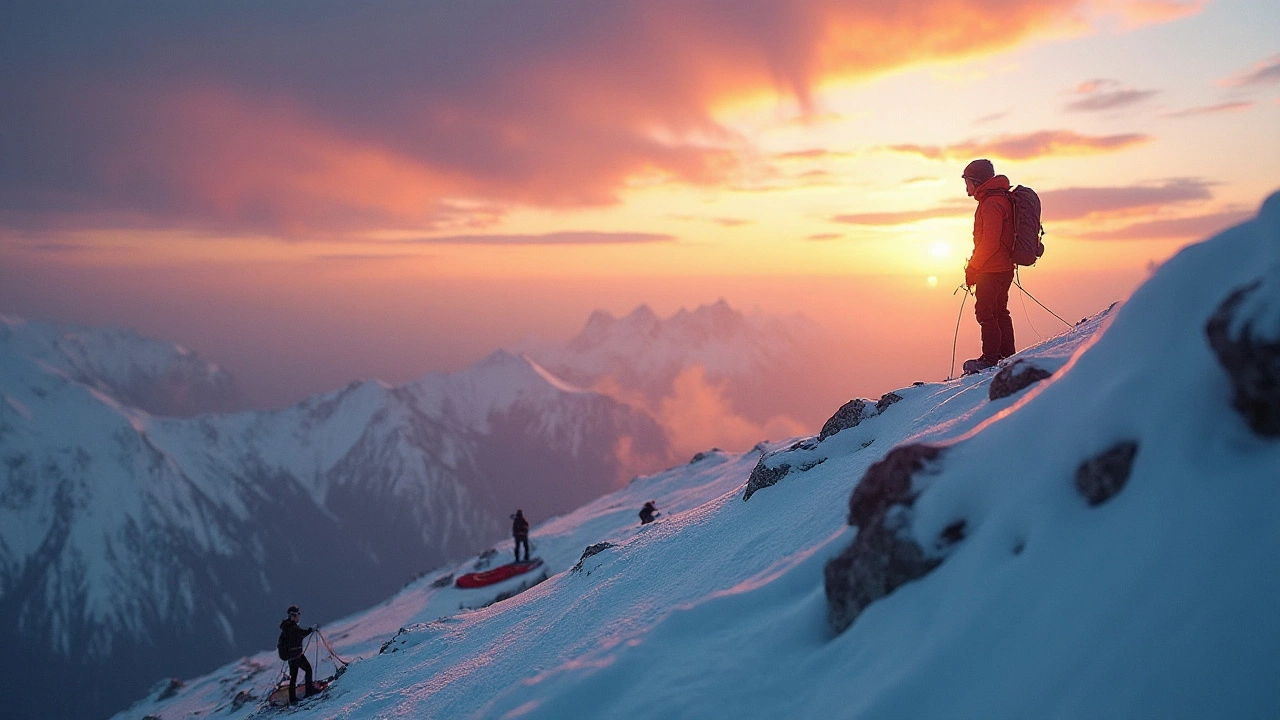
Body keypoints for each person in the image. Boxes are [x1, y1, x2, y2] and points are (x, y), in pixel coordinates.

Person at [961, 158, 1016, 374]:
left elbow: (989, 242)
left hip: (992, 269)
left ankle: (991, 359)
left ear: (976, 181)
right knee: (999, 310)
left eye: (968, 183)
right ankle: (1007, 355)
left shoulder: (992, 203)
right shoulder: (999, 199)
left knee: (986, 312)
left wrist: (973, 268)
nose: (967, 189)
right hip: (1003, 266)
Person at [278, 605, 316, 704]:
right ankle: (309, 691)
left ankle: (292, 699)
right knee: (308, 670)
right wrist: (312, 629)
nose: (298, 617)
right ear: (294, 615)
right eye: (297, 615)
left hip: (291, 656)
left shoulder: (287, 627)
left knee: (293, 677)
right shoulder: (292, 627)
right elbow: (302, 633)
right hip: (296, 655)